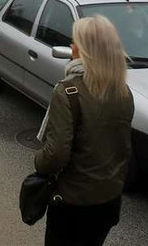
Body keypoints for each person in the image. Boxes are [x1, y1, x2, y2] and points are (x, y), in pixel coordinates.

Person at [34, 15, 134, 246]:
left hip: (73, 202)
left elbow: (55, 154)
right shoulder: (123, 92)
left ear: (86, 50)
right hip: (108, 200)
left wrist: (38, 162)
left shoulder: (68, 91)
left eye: (75, 41)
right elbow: (121, 144)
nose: (71, 46)